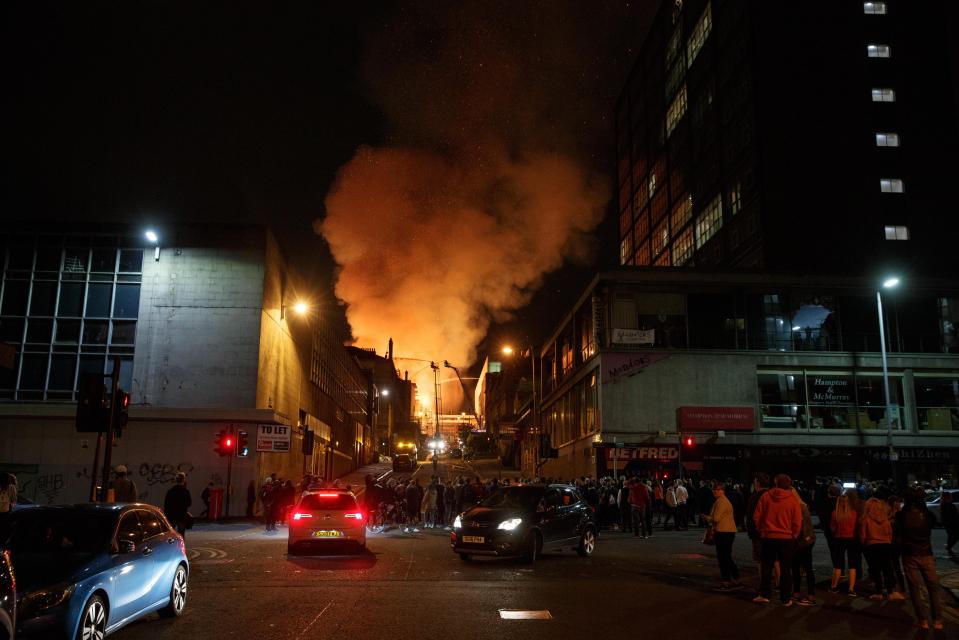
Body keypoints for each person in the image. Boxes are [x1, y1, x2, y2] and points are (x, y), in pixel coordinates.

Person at [896, 486, 943, 630]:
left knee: (914, 588)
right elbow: (932, 526)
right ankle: (938, 621)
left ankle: (922, 620)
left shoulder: (901, 515)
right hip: (926, 553)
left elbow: (898, 533)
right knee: (933, 587)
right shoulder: (928, 515)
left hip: (909, 554)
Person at [752, 474, 802, 606]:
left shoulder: (766, 496)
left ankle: (765, 594)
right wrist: (794, 534)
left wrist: (762, 530)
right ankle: (785, 598)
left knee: (766, 567)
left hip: (768, 537)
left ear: (776, 483)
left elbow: (757, 516)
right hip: (786, 538)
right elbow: (797, 521)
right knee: (786, 569)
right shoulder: (792, 500)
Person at [860, 497, 900, 601]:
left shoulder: (866, 520)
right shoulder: (885, 520)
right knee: (887, 568)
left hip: (872, 545)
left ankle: (879, 592)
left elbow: (863, 536)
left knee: (875, 569)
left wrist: (864, 543)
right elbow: (890, 534)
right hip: (885, 545)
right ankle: (890, 592)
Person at [706, 481, 740, 591]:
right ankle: (735, 577)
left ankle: (727, 581)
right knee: (726, 556)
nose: (715, 491)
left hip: (724, 532)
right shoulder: (723, 501)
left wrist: (707, 518)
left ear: (722, 491)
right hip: (728, 531)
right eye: (714, 489)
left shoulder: (721, 502)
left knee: (723, 557)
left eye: (717, 489)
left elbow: (716, 518)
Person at [829, 493, 860, 596]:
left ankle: (834, 586)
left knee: (838, 564)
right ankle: (851, 589)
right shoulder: (854, 513)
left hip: (839, 538)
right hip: (851, 539)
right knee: (852, 564)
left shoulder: (835, 514)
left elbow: (832, 528)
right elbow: (856, 528)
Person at [791, 488, 817, 606]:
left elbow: (802, 527)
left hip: (801, 542)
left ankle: (807, 595)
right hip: (806, 541)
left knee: (800, 569)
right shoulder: (803, 506)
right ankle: (805, 594)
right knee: (803, 569)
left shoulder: (799, 507)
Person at [163, 472, 193, 538]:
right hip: (181, 515)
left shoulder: (171, 491)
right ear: (184, 480)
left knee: (171, 534)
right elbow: (189, 503)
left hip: (172, 516)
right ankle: (181, 547)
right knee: (181, 534)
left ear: (176, 480)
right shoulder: (185, 491)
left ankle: (171, 547)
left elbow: (166, 504)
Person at [941, 491, 958, 555]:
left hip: (948, 523)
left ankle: (949, 547)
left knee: (950, 535)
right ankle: (949, 547)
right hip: (952, 523)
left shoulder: (943, 504)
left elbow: (944, 516)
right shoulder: (950, 505)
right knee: (955, 536)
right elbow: (954, 515)